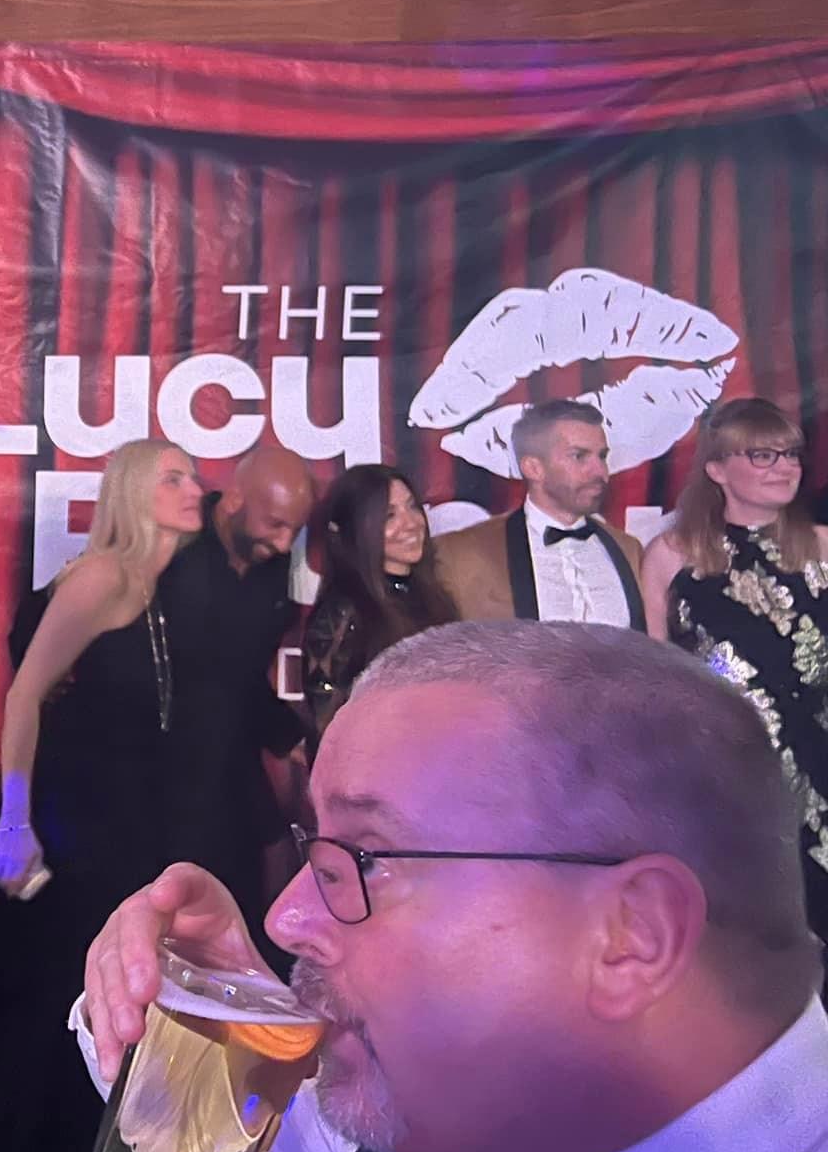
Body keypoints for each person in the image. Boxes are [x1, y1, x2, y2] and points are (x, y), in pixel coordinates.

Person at [80, 621, 828, 1152]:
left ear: (633, 935)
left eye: (364, 859)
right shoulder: (480, 1120)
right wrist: (213, 998)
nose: (285, 917)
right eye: (319, 850)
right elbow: (264, 1137)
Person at [0, 438, 204, 1152]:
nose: (195, 488)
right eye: (173, 477)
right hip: (67, 837)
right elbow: (23, 695)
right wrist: (16, 821)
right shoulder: (102, 577)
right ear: (133, 492)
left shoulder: (154, 590)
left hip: (119, 838)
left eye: (194, 475)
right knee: (59, 1023)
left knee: (100, 1024)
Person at [640, 397, 828, 997]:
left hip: (822, 774)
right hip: (729, 782)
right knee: (752, 956)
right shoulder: (672, 556)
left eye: (790, 454)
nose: (784, 467)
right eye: (763, 455)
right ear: (717, 468)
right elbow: (657, 676)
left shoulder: (823, 547)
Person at [154, 444, 316, 937]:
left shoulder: (272, 565)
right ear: (234, 500)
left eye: (295, 529)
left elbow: (238, 674)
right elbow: (65, 604)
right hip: (150, 770)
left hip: (226, 758)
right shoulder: (171, 536)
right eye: (276, 525)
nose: (285, 544)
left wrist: (291, 738)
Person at [435, 400, 645, 627]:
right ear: (533, 468)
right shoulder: (464, 555)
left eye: (602, 456)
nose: (600, 471)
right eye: (579, 456)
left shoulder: (629, 549)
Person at [300, 464, 457, 754]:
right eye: (389, 516)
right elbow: (326, 729)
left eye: (412, 506)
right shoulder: (341, 613)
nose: (411, 523)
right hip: (378, 774)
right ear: (355, 530)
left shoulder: (432, 597)